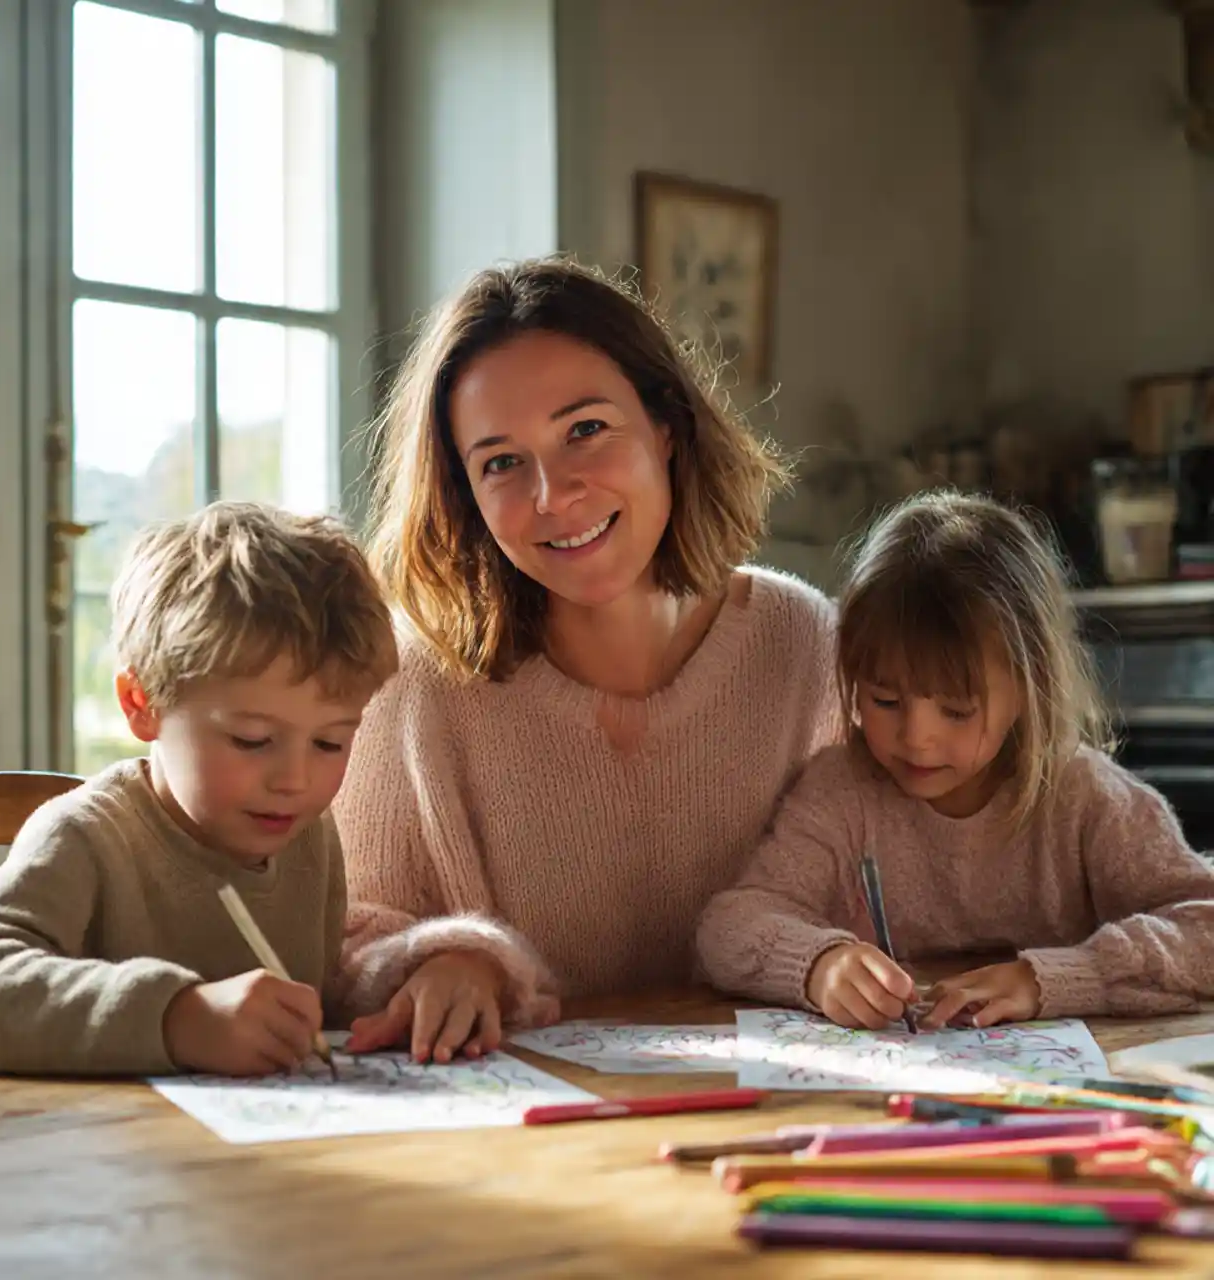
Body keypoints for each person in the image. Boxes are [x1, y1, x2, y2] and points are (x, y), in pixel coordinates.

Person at [333, 257, 843, 1066]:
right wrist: (444, 962)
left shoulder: (804, 643)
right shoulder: (416, 680)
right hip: (538, 1151)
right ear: (464, 495)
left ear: (667, 430)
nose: (553, 494)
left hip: (786, 1114)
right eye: (501, 462)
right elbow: (351, 928)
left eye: (585, 431)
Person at [696, 490, 1214, 1030]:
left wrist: (1055, 979)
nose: (916, 739)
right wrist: (817, 966)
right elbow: (729, 928)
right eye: (885, 701)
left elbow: (1205, 929)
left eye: (957, 710)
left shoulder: (1085, 797)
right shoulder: (842, 790)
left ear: (1028, 688)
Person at [0, 501, 396, 1077]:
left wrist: (418, 983)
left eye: (330, 743)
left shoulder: (308, 838)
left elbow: (320, 996)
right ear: (142, 705)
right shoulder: (87, 837)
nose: (295, 781)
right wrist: (179, 1018)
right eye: (252, 740)